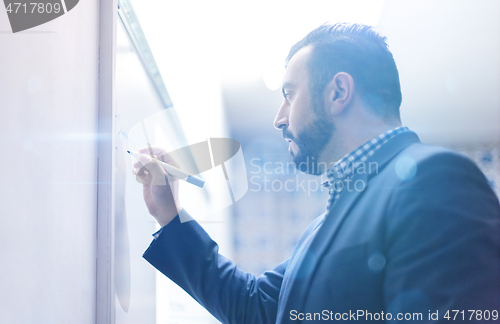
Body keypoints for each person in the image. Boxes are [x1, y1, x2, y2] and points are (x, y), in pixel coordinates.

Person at [133, 23, 500, 323]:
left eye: (289, 94)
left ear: (338, 92)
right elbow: (256, 308)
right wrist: (169, 215)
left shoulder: (434, 180)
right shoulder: (326, 223)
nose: (279, 117)